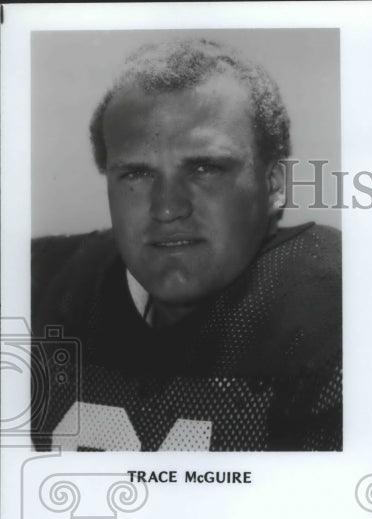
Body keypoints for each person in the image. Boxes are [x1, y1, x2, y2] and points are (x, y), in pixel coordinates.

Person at [31, 38, 342, 451]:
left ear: (273, 185)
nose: (166, 208)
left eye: (204, 167)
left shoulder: (331, 304)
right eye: (136, 174)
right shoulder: (44, 285)